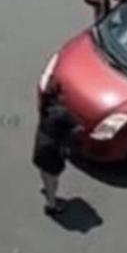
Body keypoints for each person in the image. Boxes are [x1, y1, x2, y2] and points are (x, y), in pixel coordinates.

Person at [32, 84, 79, 215]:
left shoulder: (45, 107)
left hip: (40, 146)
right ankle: (51, 204)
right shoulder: (62, 113)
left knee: (44, 172)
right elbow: (76, 129)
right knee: (53, 178)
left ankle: (46, 188)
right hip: (52, 152)